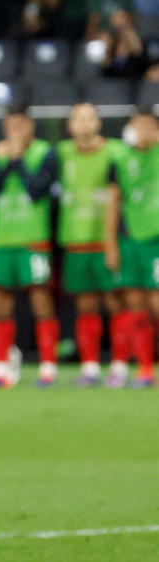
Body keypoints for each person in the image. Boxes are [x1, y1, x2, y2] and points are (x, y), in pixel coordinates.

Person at [0, 106, 61, 388]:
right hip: (1, 239)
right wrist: (7, 161)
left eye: (20, 124)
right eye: (10, 124)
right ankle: (3, 366)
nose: (15, 130)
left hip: (33, 238)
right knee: (0, 304)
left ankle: (48, 367)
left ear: (31, 125)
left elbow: (36, 190)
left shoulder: (46, 153)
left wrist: (18, 160)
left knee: (41, 300)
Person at [58, 103, 126, 387]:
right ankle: (90, 366)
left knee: (116, 303)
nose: (84, 124)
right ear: (70, 125)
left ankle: (120, 366)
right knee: (85, 307)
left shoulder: (117, 152)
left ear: (98, 123)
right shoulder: (61, 153)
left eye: (89, 118)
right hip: (76, 240)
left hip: (108, 240)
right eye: (78, 119)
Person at [105, 111, 159, 388]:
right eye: (138, 125)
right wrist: (110, 243)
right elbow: (113, 203)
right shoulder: (120, 159)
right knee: (135, 304)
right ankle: (145, 369)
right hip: (130, 239)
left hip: (156, 239)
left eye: (149, 126)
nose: (143, 131)